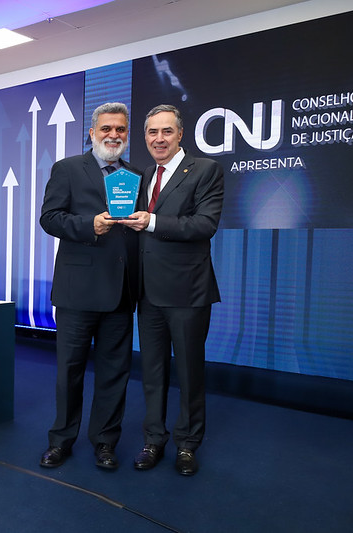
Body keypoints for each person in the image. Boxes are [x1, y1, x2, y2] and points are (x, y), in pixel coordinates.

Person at [119, 104, 224, 476]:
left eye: (166, 132)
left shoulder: (206, 170)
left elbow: (203, 225)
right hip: (148, 293)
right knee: (152, 371)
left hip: (187, 292)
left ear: (180, 134)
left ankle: (187, 445)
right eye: (151, 132)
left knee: (190, 373)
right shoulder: (144, 174)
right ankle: (154, 440)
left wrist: (152, 221)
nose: (158, 139)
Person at [38, 102, 140, 470]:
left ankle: (105, 442)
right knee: (70, 370)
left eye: (121, 130)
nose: (114, 135)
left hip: (120, 292)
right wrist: (88, 226)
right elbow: (49, 218)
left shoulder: (136, 175)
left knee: (115, 373)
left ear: (127, 135)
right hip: (77, 291)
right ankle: (61, 440)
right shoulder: (67, 169)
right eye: (107, 128)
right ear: (93, 132)